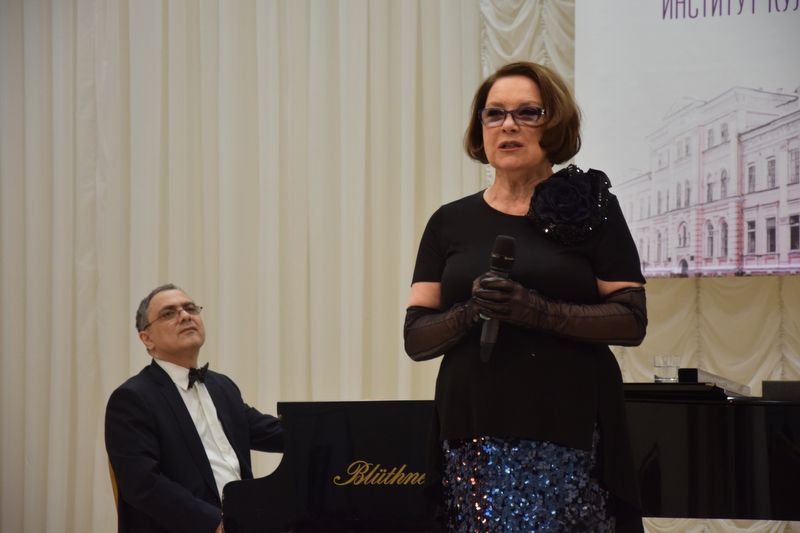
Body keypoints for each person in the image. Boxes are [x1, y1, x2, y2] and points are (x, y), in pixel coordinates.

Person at [404, 62, 647, 532]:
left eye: (527, 113)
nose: (508, 125)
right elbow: (416, 338)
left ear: (554, 124)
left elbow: (631, 319)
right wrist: (473, 311)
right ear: (480, 129)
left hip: (570, 431)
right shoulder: (449, 222)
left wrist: (535, 310)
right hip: (472, 433)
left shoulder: (593, 211)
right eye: (494, 114)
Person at [105, 283, 284, 533]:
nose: (185, 316)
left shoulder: (223, 387)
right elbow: (142, 483)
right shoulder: (132, 399)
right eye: (169, 313)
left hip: (246, 521)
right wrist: (214, 524)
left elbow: (274, 432)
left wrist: (336, 425)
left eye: (190, 308)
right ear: (147, 339)